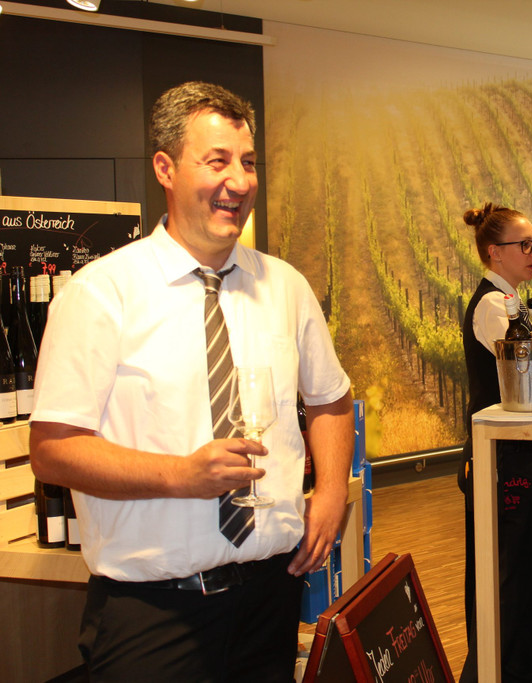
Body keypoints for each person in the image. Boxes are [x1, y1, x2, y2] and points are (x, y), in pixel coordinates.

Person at [29, 81, 355, 681]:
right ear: (165, 169)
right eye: (217, 161)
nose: (240, 181)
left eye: (248, 163)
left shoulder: (285, 287)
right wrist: (182, 476)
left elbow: (331, 397)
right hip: (154, 614)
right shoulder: (101, 295)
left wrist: (333, 490)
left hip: (271, 599)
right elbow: (52, 450)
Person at [458, 203, 532, 682]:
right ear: (494, 252)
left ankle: (521, 661)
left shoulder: (514, 301)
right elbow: (528, 367)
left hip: (515, 451)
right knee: (502, 565)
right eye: (524, 244)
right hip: (496, 456)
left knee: (522, 557)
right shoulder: (491, 305)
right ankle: (497, 667)